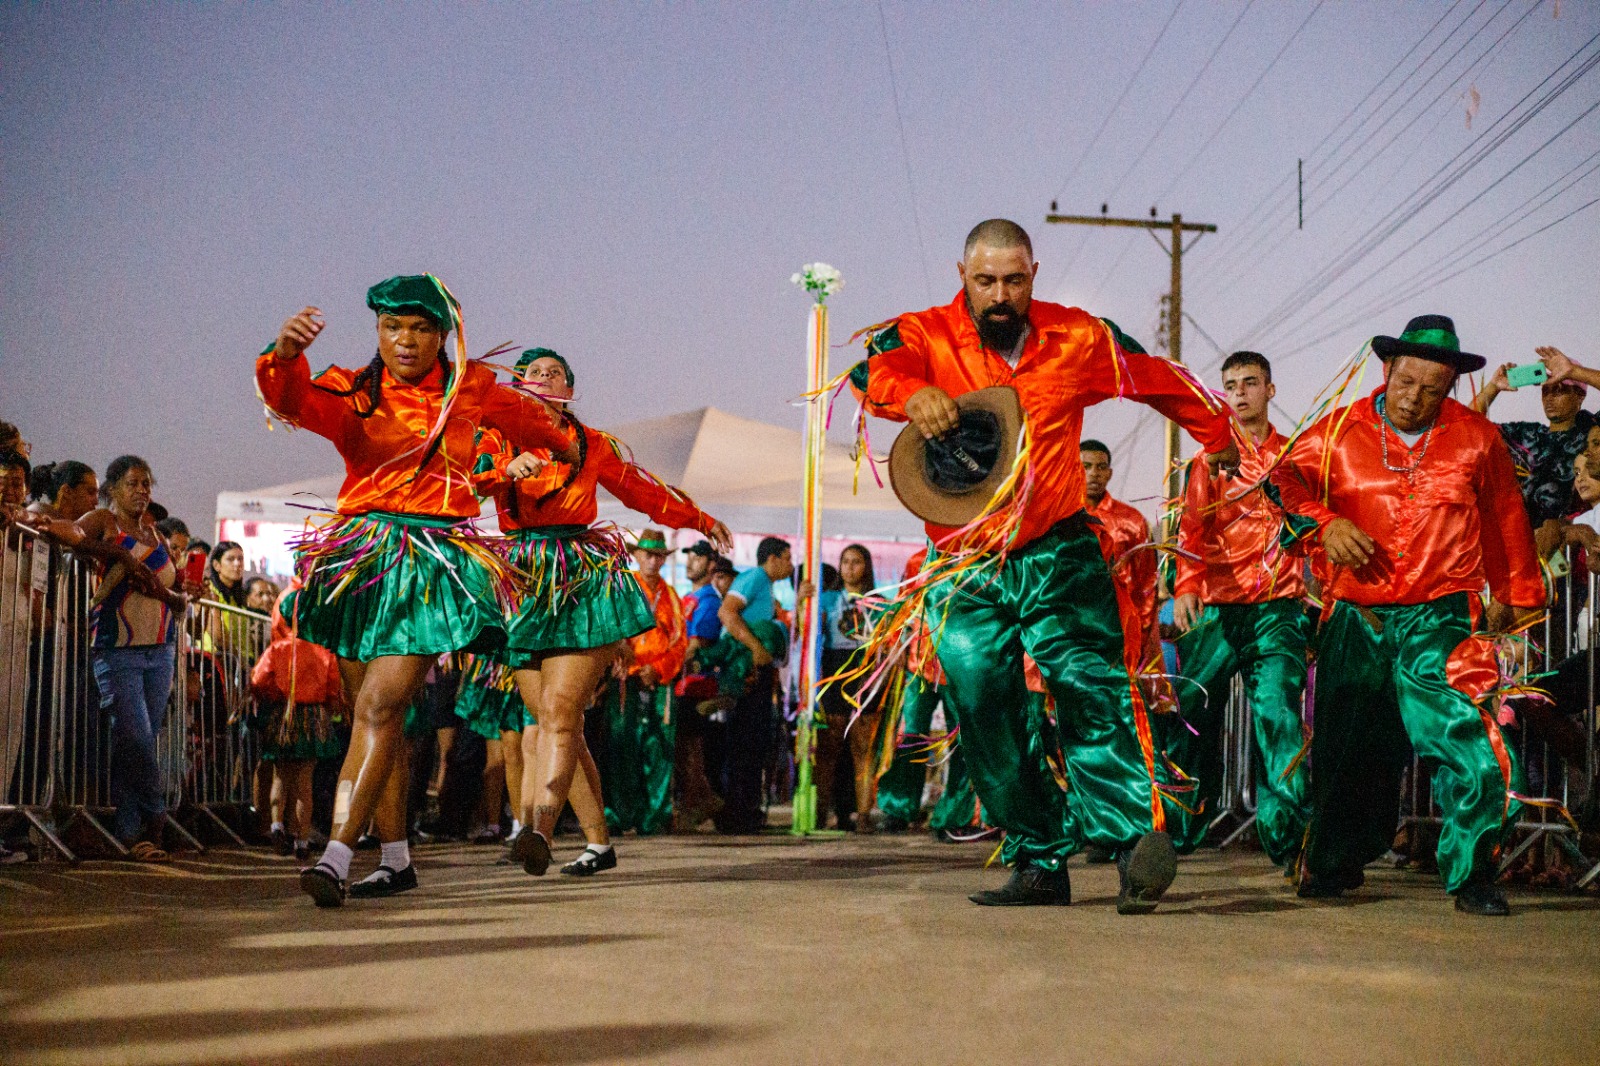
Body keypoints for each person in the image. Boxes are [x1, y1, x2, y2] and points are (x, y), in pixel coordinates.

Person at [850, 218, 1237, 911]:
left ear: (1034, 274)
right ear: (961, 276)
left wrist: (1218, 433)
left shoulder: (1080, 336)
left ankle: (1131, 846)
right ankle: (1037, 861)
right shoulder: (922, 333)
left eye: (1015, 280)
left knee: (1092, 688)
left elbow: (1154, 379)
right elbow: (870, 370)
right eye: (985, 280)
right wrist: (910, 392)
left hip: (1058, 550)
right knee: (986, 712)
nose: (1000, 294)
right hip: (962, 566)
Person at [256, 276, 579, 907]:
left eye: (421, 327)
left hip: (429, 567)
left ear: (443, 334)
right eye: (392, 327)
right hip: (361, 563)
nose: (405, 340)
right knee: (372, 721)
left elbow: (548, 431)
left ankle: (336, 855)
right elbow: (295, 402)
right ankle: (397, 859)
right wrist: (285, 357)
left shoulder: (474, 390)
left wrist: (549, 453)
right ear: (377, 331)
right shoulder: (353, 388)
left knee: (379, 708)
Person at [1273, 314, 1543, 916]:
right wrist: (1326, 522)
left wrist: (1515, 592)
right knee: (1350, 753)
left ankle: (1472, 873)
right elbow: (1283, 475)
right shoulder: (1339, 430)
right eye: (1407, 381)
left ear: (1449, 387)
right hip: (1357, 618)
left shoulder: (1477, 438)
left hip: (1440, 616)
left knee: (1466, 736)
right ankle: (1332, 861)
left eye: (1432, 388)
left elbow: (1504, 516)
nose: (1415, 398)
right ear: (1387, 369)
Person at [472, 348, 729, 878]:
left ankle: (539, 830)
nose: (544, 378)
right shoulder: (495, 437)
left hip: (579, 577)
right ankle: (598, 844)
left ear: (570, 389)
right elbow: (467, 483)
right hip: (522, 579)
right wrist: (503, 469)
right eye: (533, 372)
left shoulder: (593, 445)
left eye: (555, 373)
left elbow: (640, 490)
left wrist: (697, 517)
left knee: (562, 711)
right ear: (517, 384)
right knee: (548, 718)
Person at [1167, 351, 1311, 867]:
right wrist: (1186, 585)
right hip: (1217, 607)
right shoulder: (1210, 456)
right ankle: (1175, 831)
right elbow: (1192, 526)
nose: (1242, 392)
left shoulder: (1297, 455)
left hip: (1277, 607)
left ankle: (1289, 839)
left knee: (1277, 715)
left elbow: (1315, 525)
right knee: (1190, 713)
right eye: (1232, 385)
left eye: (1251, 382)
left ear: (1271, 390)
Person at [74, 456, 190, 861]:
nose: (142, 490)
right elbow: (68, 535)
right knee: (136, 738)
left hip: (160, 650)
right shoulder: (104, 520)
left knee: (137, 744)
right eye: (133, 484)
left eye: (147, 484)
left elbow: (178, 589)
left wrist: (177, 594)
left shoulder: (156, 533)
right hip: (116, 648)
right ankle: (156, 815)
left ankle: (130, 834)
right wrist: (119, 556)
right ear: (112, 489)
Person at [602, 530, 688, 835]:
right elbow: (610, 631)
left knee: (659, 748)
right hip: (626, 678)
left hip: (659, 682)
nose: (652, 561)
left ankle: (655, 818)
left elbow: (680, 642)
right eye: (647, 555)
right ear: (636, 556)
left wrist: (658, 668)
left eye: (658, 556)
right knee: (621, 745)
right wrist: (633, 663)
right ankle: (619, 816)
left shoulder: (672, 598)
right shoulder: (622, 591)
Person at [251, 584, 346, 861]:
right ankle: (302, 841)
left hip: (284, 715)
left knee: (281, 775)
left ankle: (277, 825)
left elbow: (258, 680)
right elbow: (333, 689)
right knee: (306, 780)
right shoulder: (322, 652)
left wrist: (272, 696)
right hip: (313, 718)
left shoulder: (277, 648)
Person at [716, 536, 799, 833]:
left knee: (754, 741)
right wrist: (755, 647)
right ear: (772, 559)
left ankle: (745, 809)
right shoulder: (754, 577)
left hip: (758, 671)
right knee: (744, 741)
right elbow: (726, 612)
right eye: (787, 558)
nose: (791, 565)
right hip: (745, 670)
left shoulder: (768, 587)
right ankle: (737, 811)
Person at [1472, 345, 1596, 528]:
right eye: (1546, 390)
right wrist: (1493, 387)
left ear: (1580, 396)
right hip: (1520, 542)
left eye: (1559, 390)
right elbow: (1464, 427)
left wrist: (1575, 372)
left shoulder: (1592, 435)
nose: (1550, 397)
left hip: (1572, 541)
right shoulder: (1527, 435)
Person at [1080, 440, 1159, 663]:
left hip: (1120, 632)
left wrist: (1140, 635)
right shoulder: (1058, 518)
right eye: (1085, 466)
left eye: (1100, 467)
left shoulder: (1131, 521)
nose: (1094, 473)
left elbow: (1148, 583)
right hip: (1070, 632)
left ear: (1110, 473)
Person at [26, 461, 98, 522]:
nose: (96, 502)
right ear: (67, 491)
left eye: (97, 494)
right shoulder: (38, 515)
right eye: (90, 492)